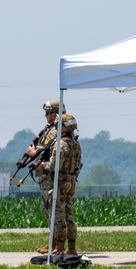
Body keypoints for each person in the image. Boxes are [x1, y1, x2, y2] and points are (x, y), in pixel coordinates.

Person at [37, 113, 82, 255]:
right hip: (71, 180)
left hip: (60, 182)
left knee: (59, 215)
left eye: (58, 125)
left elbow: (54, 165)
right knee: (69, 214)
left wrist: (41, 166)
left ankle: (60, 248)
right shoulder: (75, 144)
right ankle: (72, 247)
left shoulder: (61, 144)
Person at [29, 100, 60, 254]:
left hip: (51, 175)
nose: (45, 116)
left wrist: (34, 153)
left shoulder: (56, 131)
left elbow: (48, 150)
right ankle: (52, 242)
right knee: (47, 210)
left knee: (53, 210)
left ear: (55, 113)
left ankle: (56, 245)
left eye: (48, 113)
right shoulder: (49, 129)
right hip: (45, 176)